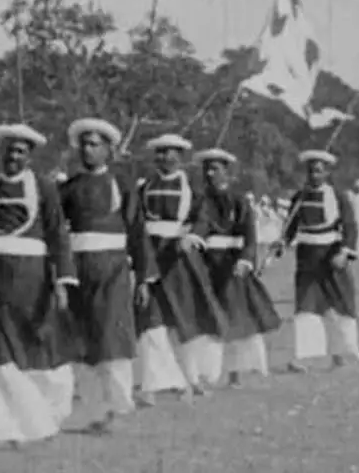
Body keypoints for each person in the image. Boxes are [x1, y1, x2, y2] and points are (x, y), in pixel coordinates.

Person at [0, 123, 75, 448]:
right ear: (1, 152)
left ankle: (52, 412)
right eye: (9, 150)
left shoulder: (44, 187)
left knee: (39, 351)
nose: (13, 156)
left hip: (33, 279)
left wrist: (62, 280)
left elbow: (57, 234)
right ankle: (7, 430)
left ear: (29, 156)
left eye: (20, 151)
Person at [59, 118, 154, 434]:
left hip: (112, 269)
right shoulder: (68, 188)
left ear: (108, 150)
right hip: (78, 271)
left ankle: (119, 406)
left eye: (95, 144)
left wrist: (143, 277)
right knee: (82, 340)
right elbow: (56, 232)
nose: (88, 149)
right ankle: (94, 412)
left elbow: (137, 232)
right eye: (84, 144)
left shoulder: (122, 185)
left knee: (112, 335)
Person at [135, 133, 227, 404]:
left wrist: (193, 237)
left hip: (180, 261)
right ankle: (152, 385)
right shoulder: (144, 188)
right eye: (160, 153)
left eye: (170, 152)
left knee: (185, 320)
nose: (165, 157)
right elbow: (135, 221)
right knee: (150, 322)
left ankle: (191, 378)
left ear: (181, 157)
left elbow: (203, 219)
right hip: (151, 258)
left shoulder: (192, 189)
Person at [190, 148, 280, 387]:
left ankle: (235, 373)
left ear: (226, 172)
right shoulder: (198, 201)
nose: (210, 174)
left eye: (215, 169)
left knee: (237, 317)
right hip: (206, 265)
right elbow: (197, 227)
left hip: (232, 266)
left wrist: (245, 259)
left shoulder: (240, 201)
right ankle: (205, 373)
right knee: (207, 316)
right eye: (206, 169)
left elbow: (250, 236)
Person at [272, 150, 359, 371]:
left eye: (319, 171)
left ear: (327, 173)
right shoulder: (299, 197)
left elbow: (350, 226)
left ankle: (340, 353)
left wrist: (344, 252)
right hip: (307, 257)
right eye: (311, 171)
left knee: (339, 306)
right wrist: (282, 242)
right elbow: (290, 227)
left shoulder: (338, 196)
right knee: (306, 307)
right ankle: (304, 358)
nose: (314, 175)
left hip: (331, 257)